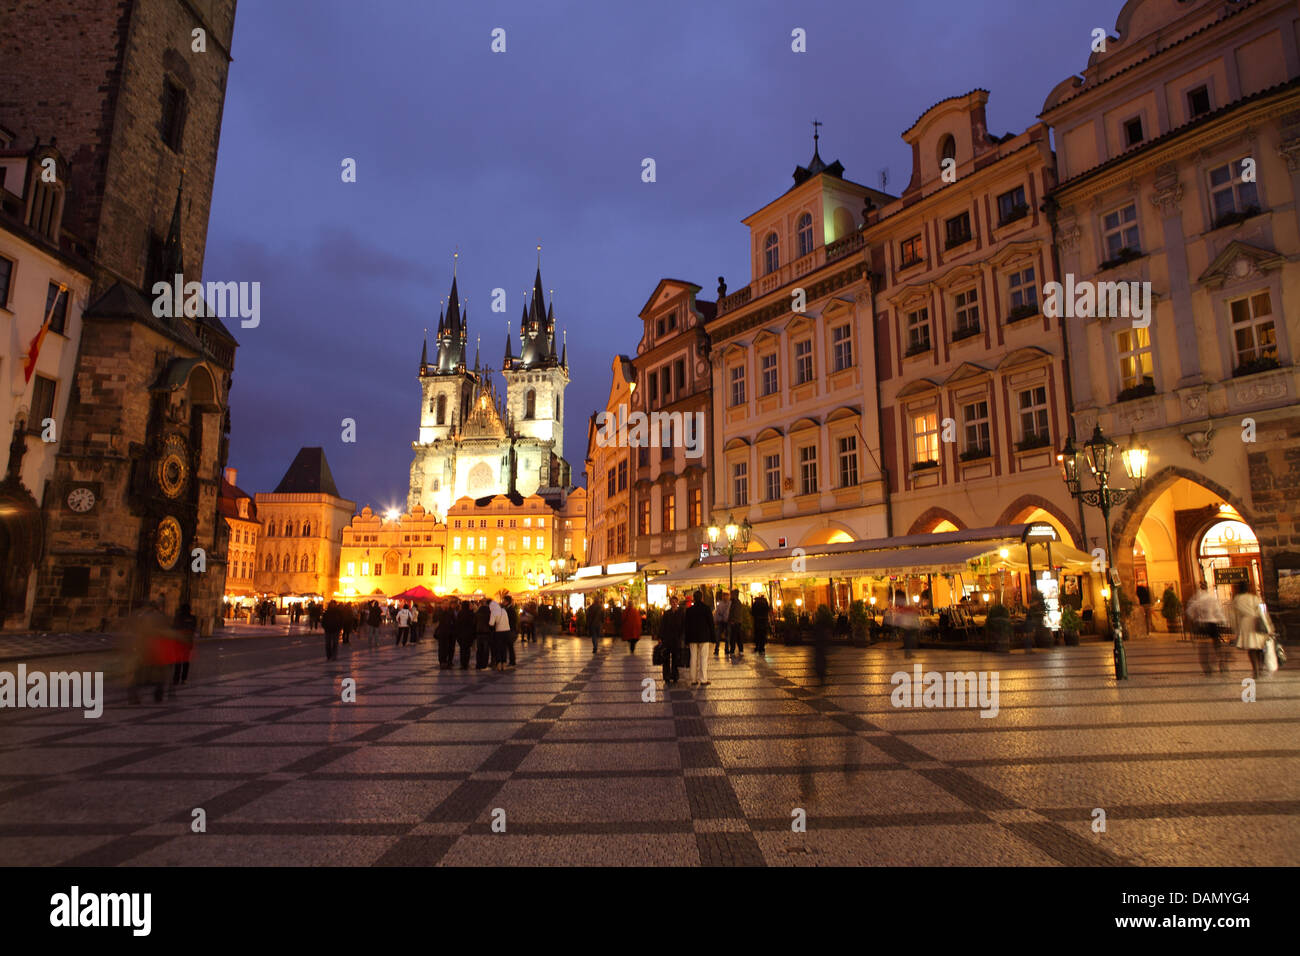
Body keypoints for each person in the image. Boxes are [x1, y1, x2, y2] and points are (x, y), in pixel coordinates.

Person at [1231, 580, 1274, 678]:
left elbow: (1234, 616)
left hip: (1245, 624)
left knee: (1251, 649)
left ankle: (1256, 670)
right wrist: (1268, 627)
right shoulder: (1254, 598)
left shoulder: (1237, 599)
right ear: (1248, 588)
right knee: (1259, 647)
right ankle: (1260, 667)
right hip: (1257, 623)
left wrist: (1236, 629)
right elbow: (1262, 613)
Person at [1186, 581, 1229, 675]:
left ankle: (1207, 668)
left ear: (1200, 587)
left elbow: (1190, 611)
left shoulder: (1197, 599)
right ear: (1207, 587)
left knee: (1203, 648)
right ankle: (1222, 663)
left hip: (1202, 625)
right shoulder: (1211, 598)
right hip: (1212, 624)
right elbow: (1217, 611)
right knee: (1217, 645)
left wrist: (1195, 619)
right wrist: (1223, 621)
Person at [684, 590, 715, 686]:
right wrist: (713, 638)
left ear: (694, 598)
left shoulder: (689, 610)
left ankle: (693, 679)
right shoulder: (706, 609)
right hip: (704, 637)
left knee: (693, 658)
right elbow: (711, 624)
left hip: (692, 637)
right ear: (702, 598)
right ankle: (703, 679)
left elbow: (687, 626)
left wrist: (686, 639)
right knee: (703, 658)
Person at [170, 602, 197, 694]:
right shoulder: (193, 618)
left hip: (179, 640)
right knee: (186, 660)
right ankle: (184, 678)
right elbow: (194, 629)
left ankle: (176, 678)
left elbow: (174, 628)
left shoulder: (178, 618)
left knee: (178, 660)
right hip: (188, 641)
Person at [658, 594, 685, 685]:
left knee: (675, 659)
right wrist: (660, 637)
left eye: (675, 602)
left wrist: (682, 637)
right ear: (670, 603)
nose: (673, 604)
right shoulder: (666, 613)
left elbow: (683, 626)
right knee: (666, 659)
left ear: (677, 603)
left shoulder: (681, 613)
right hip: (667, 639)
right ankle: (666, 676)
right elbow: (662, 626)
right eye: (672, 602)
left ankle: (675, 675)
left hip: (676, 639)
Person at [455, 598, 476, 669]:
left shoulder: (460, 613)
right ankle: (466, 664)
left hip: (461, 635)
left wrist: (457, 635)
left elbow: (457, 624)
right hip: (469, 635)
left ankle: (462, 664)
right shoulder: (471, 613)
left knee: (462, 650)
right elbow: (473, 625)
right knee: (467, 650)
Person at [475, 598, 493, 670]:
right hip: (486, 633)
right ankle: (484, 665)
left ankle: (478, 664)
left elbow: (475, 622)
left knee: (479, 650)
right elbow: (491, 622)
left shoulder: (478, 611)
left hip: (479, 633)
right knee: (485, 650)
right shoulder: (488, 611)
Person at [713, 589, 730, 657]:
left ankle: (726, 649)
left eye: (726, 596)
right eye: (724, 596)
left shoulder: (730, 603)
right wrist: (715, 620)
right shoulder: (720, 603)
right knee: (719, 636)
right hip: (721, 621)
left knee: (727, 636)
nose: (725, 597)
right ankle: (717, 649)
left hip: (727, 621)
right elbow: (717, 613)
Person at [728, 588, 744, 657]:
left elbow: (734, 613)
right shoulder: (735, 602)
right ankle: (739, 650)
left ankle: (733, 650)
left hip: (735, 622)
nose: (730, 596)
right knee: (737, 637)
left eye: (732, 594)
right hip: (736, 622)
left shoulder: (736, 602)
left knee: (734, 637)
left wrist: (732, 621)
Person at [504, 595, 519, 666]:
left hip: (510, 630)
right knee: (510, 646)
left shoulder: (510, 609)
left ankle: (512, 661)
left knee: (510, 646)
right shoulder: (509, 608)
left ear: (507, 601)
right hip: (511, 629)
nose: (503, 602)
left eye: (504, 600)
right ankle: (512, 660)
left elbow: (512, 620)